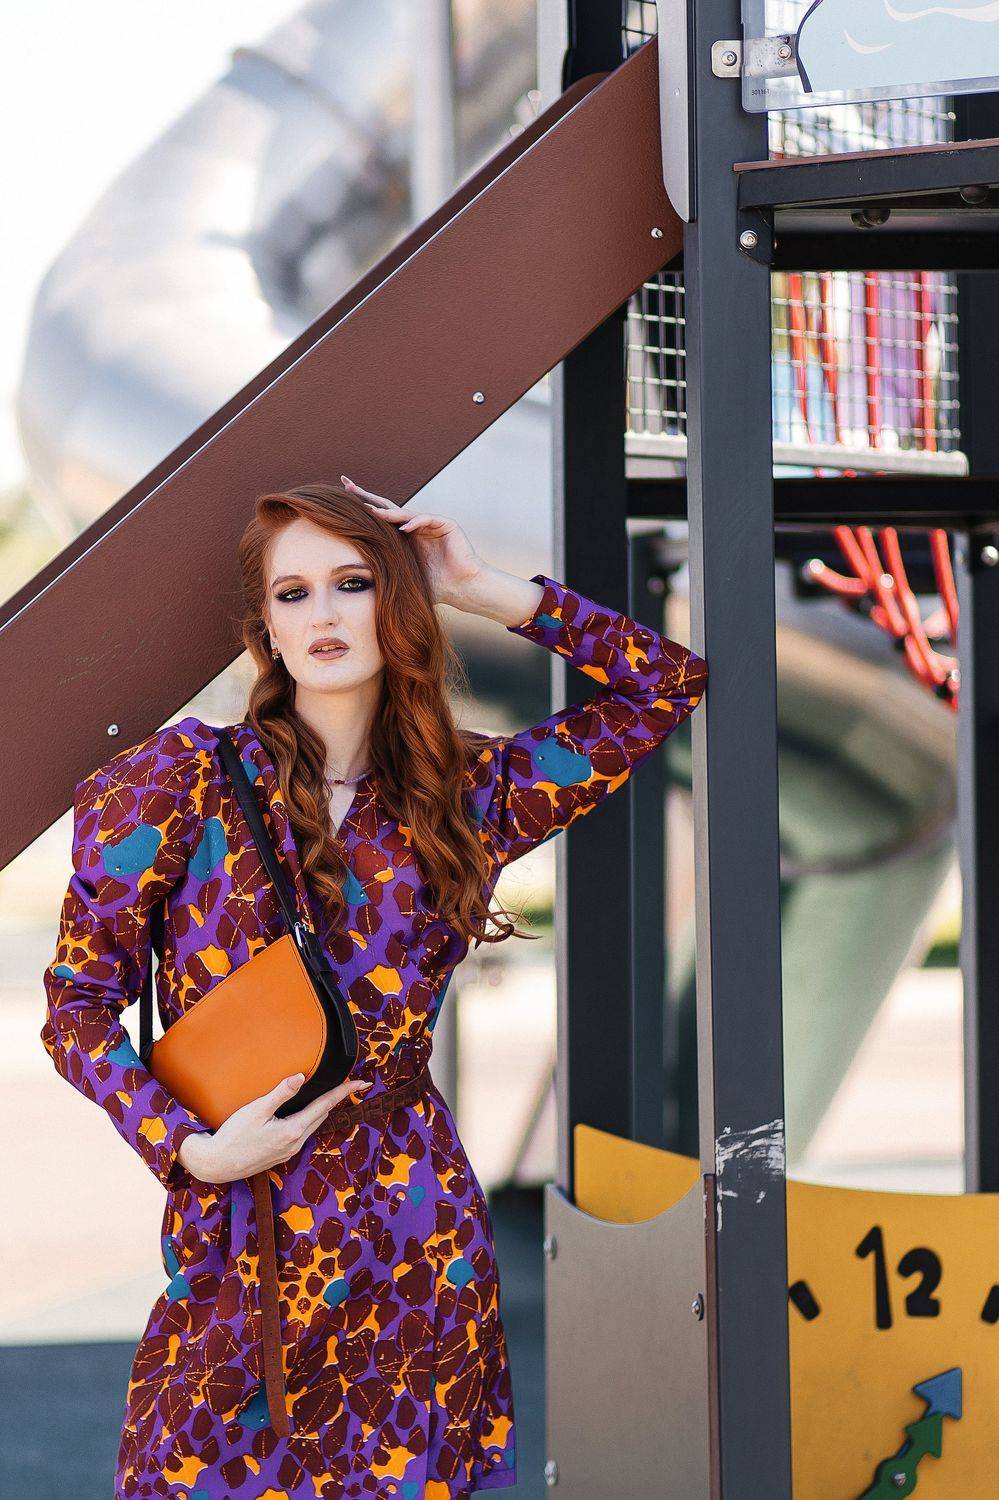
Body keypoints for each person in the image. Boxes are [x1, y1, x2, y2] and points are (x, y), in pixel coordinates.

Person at [41, 478, 708, 1498]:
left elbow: (663, 685)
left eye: (353, 583)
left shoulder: (466, 795)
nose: (323, 613)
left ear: (397, 603)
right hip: (247, 1211)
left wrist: (478, 586)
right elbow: (77, 1004)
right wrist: (187, 1148)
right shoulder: (182, 781)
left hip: (414, 1221)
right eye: (293, 593)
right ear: (266, 628)